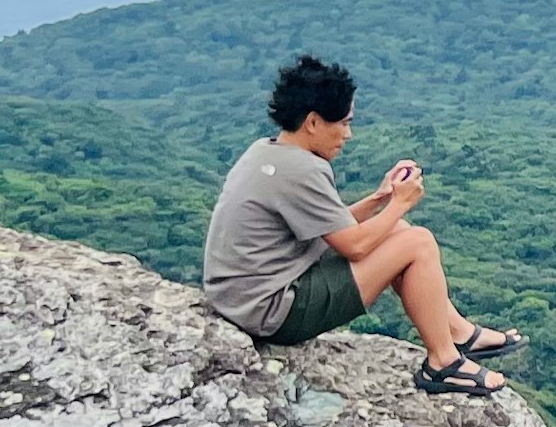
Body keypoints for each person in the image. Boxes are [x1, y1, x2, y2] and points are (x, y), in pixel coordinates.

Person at [203, 52, 523, 395]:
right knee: (418, 242)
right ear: (313, 122)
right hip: (271, 311)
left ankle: (458, 332)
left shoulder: (267, 152)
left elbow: (332, 230)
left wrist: (379, 199)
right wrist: (400, 203)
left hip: (241, 298)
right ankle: (443, 363)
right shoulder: (303, 170)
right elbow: (354, 245)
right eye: (343, 122)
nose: (348, 134)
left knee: (398, 232)